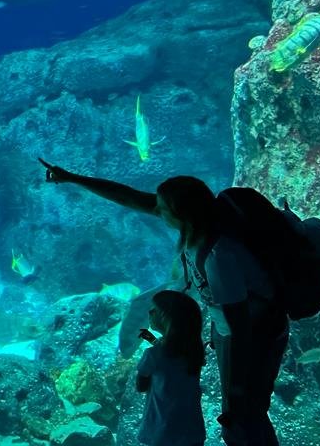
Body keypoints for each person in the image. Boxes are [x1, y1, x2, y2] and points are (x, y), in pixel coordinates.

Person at [38, 158, 288, 446]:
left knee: (244, 418)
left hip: (256, 335)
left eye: (162, 208)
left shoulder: (219, 257)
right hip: (229, 333)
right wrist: (73, 178)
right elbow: (130, 197)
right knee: (243, 416)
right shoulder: (198, 228)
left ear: (181, 215)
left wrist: (239, 386)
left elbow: (240, 326)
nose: (156, 210)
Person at [136, 290, 206, 446]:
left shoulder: (152, 355)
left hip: (162, 431)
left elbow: (141, 386)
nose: (149, 312)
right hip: (192, 431)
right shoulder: (194, 351)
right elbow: (171, 353)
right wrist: (153, 340)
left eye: (154, 310)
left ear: (166, 317)